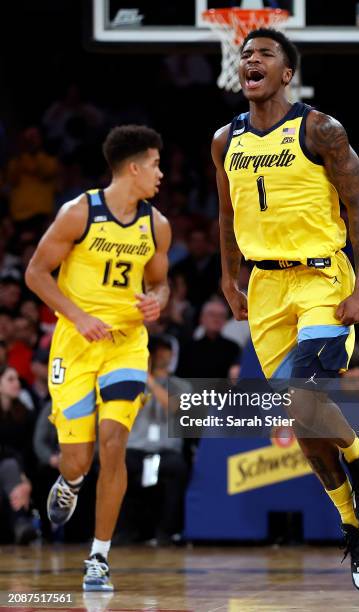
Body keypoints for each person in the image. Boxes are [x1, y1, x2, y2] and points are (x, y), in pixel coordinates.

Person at [212, 28, 359, 592]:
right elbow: (225, 213)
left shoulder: (320, 129)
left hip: (320, 279)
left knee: (303, 394)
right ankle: (350, 523)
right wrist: (228, 277)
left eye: (264, 55)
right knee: (300, 420)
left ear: (288, 73)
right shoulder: (225, 139)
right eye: (246, 56)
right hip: (264, 288)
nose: (251, 61)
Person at [25, 125, 171, 591]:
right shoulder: (78, 213)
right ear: (133, 167)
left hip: (126, 344)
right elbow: (36, 274)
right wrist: (78, 315)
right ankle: (70, 482)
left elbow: (160, 282)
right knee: (78, 459)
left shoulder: (157, 225)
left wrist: (159, 300)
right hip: (75, 341)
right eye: (155, 164)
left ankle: (99, 556)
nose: (160, 174)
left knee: (114, 443)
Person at [120, 335, 190, 545]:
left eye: (165, 350)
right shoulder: (132, 383)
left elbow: (173, 407)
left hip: (166, 449)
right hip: (136, 448)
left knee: (177, 469)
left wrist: (150, 379)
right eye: (156, 350)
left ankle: (166, 532)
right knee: (118, 467)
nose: (160, 355)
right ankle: (123, 532)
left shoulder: (181, 385)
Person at [0, 365, 37, 544]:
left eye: (18, 380)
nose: (17, 384)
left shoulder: (26, 414)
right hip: (11, 469)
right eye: (10, 379)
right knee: (9, 465)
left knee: (11, 468)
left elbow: (29, 452)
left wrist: (25, 480)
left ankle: (21, 523)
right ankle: (20, 522)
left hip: (18, 473)